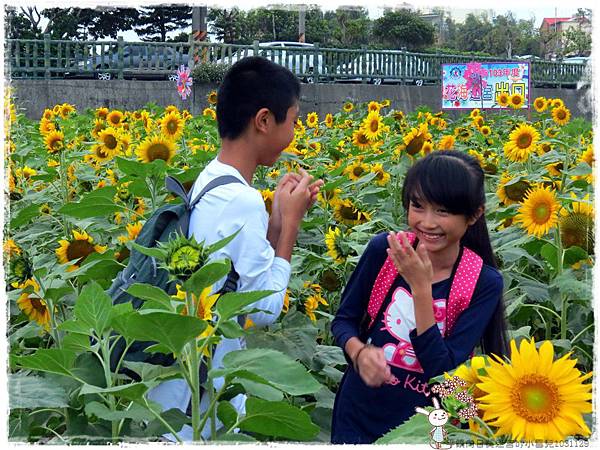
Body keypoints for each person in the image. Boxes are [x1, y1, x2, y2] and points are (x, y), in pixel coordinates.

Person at [147, 56, 323, 441]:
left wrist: (275, 220)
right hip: (200, 404)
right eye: (293, 120)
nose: (295, 131)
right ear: (263, 120)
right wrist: (290, 227)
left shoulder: (210, 180)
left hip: (174, 389)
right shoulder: (241, 200)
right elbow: (262, 308)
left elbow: (233, 276)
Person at [330, 150, 508, 444]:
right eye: (417, 206)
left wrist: (421, 288)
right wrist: (359, 352)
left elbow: (444, 371)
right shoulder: (383, 252)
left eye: (443, 211)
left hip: (427, 427)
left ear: (474, 214)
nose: (427, 222)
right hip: (358, 412)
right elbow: (343, 321)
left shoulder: (483, 283)